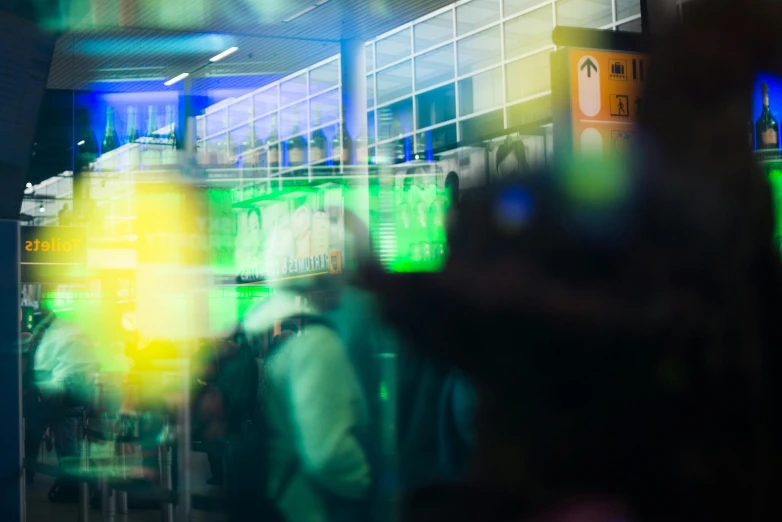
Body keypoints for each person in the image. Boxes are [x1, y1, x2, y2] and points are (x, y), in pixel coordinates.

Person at [243, 286, 371, 522]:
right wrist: (369, 482)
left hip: (272, 496)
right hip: (310, 508)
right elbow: (327, 455)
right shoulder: (315, 343)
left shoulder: (266, 334)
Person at [23, 309, 99, 502]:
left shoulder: (45, 340)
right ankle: (69, 484)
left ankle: (68, 484)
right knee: (65, 443)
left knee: (54, 441)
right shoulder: (78, 340)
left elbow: (35, 368)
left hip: (57, 399)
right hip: (61, 400)